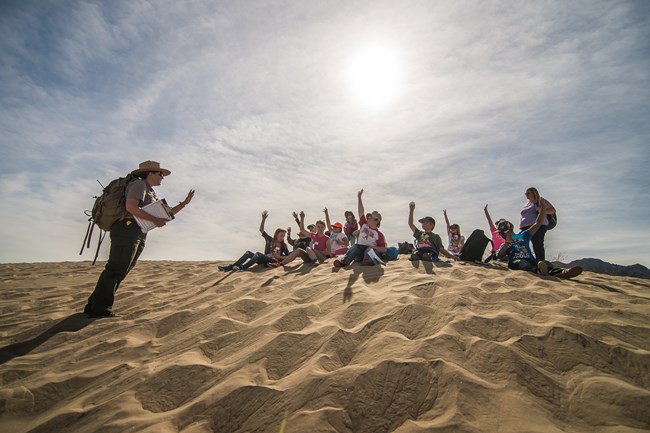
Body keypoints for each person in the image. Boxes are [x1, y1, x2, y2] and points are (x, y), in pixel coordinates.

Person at [84, 160, 195, 317]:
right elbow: (131, 207)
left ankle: (94, 304)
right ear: (150, 173)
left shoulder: (149, 191)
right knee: (117, 268)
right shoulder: (139, 185)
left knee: (122, 268)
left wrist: (184, 203)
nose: (162, 177)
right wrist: (155, 220)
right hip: (127, 228)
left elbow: (165, 214)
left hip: (137, 231)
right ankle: (100, 308)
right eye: (160, 174)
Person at [496, 203, 582, 279]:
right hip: (516, 261)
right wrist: (507, 243)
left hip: (530, 259)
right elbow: (499, 256)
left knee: (544, 262)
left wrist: (543, 209)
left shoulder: (522, 235)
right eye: (501, 234)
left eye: (503, 233)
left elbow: (537, 223)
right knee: (522, 264)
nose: (502, 235)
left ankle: (561, 272)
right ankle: (540, 271)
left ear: (511, 229)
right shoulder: (504, 244)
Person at [218, 211, 289, 271]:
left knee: (258, 254)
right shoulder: (270, 239)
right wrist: (263, 219)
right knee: (248, 253)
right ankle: (230, 267)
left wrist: (279, 257)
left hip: (271, 262)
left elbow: (289, 256)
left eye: (283, 236)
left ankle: (243, 267)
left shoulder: (283, 245)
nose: (282, 237)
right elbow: (261, 230)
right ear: (276, 235)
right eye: (281, 235)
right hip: (263, 259)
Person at [334, 189, 387, 267]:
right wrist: (359, 198)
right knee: (355, 246)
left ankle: (368, 261)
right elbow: (361, 212)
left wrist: (372, 247)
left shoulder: (379, 235)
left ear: (376, 221)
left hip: (369, 252)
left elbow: (384, 249)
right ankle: (343, 262)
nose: (368, 218)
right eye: (368, 217)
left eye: (370, 217)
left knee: (370, 250)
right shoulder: (364, 225)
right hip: (359, 252)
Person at [519, 187, 556, 261]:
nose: (526, 194)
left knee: (537, 244)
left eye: (528, 193)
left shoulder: (540, 201)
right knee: (520, 241)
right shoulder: (527, 204)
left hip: (538, 225)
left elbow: (553, 210)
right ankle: (524, 259)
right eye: (525, 193)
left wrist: (541, 210)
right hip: (525, 227)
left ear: (534, 193)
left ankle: (540, 262)